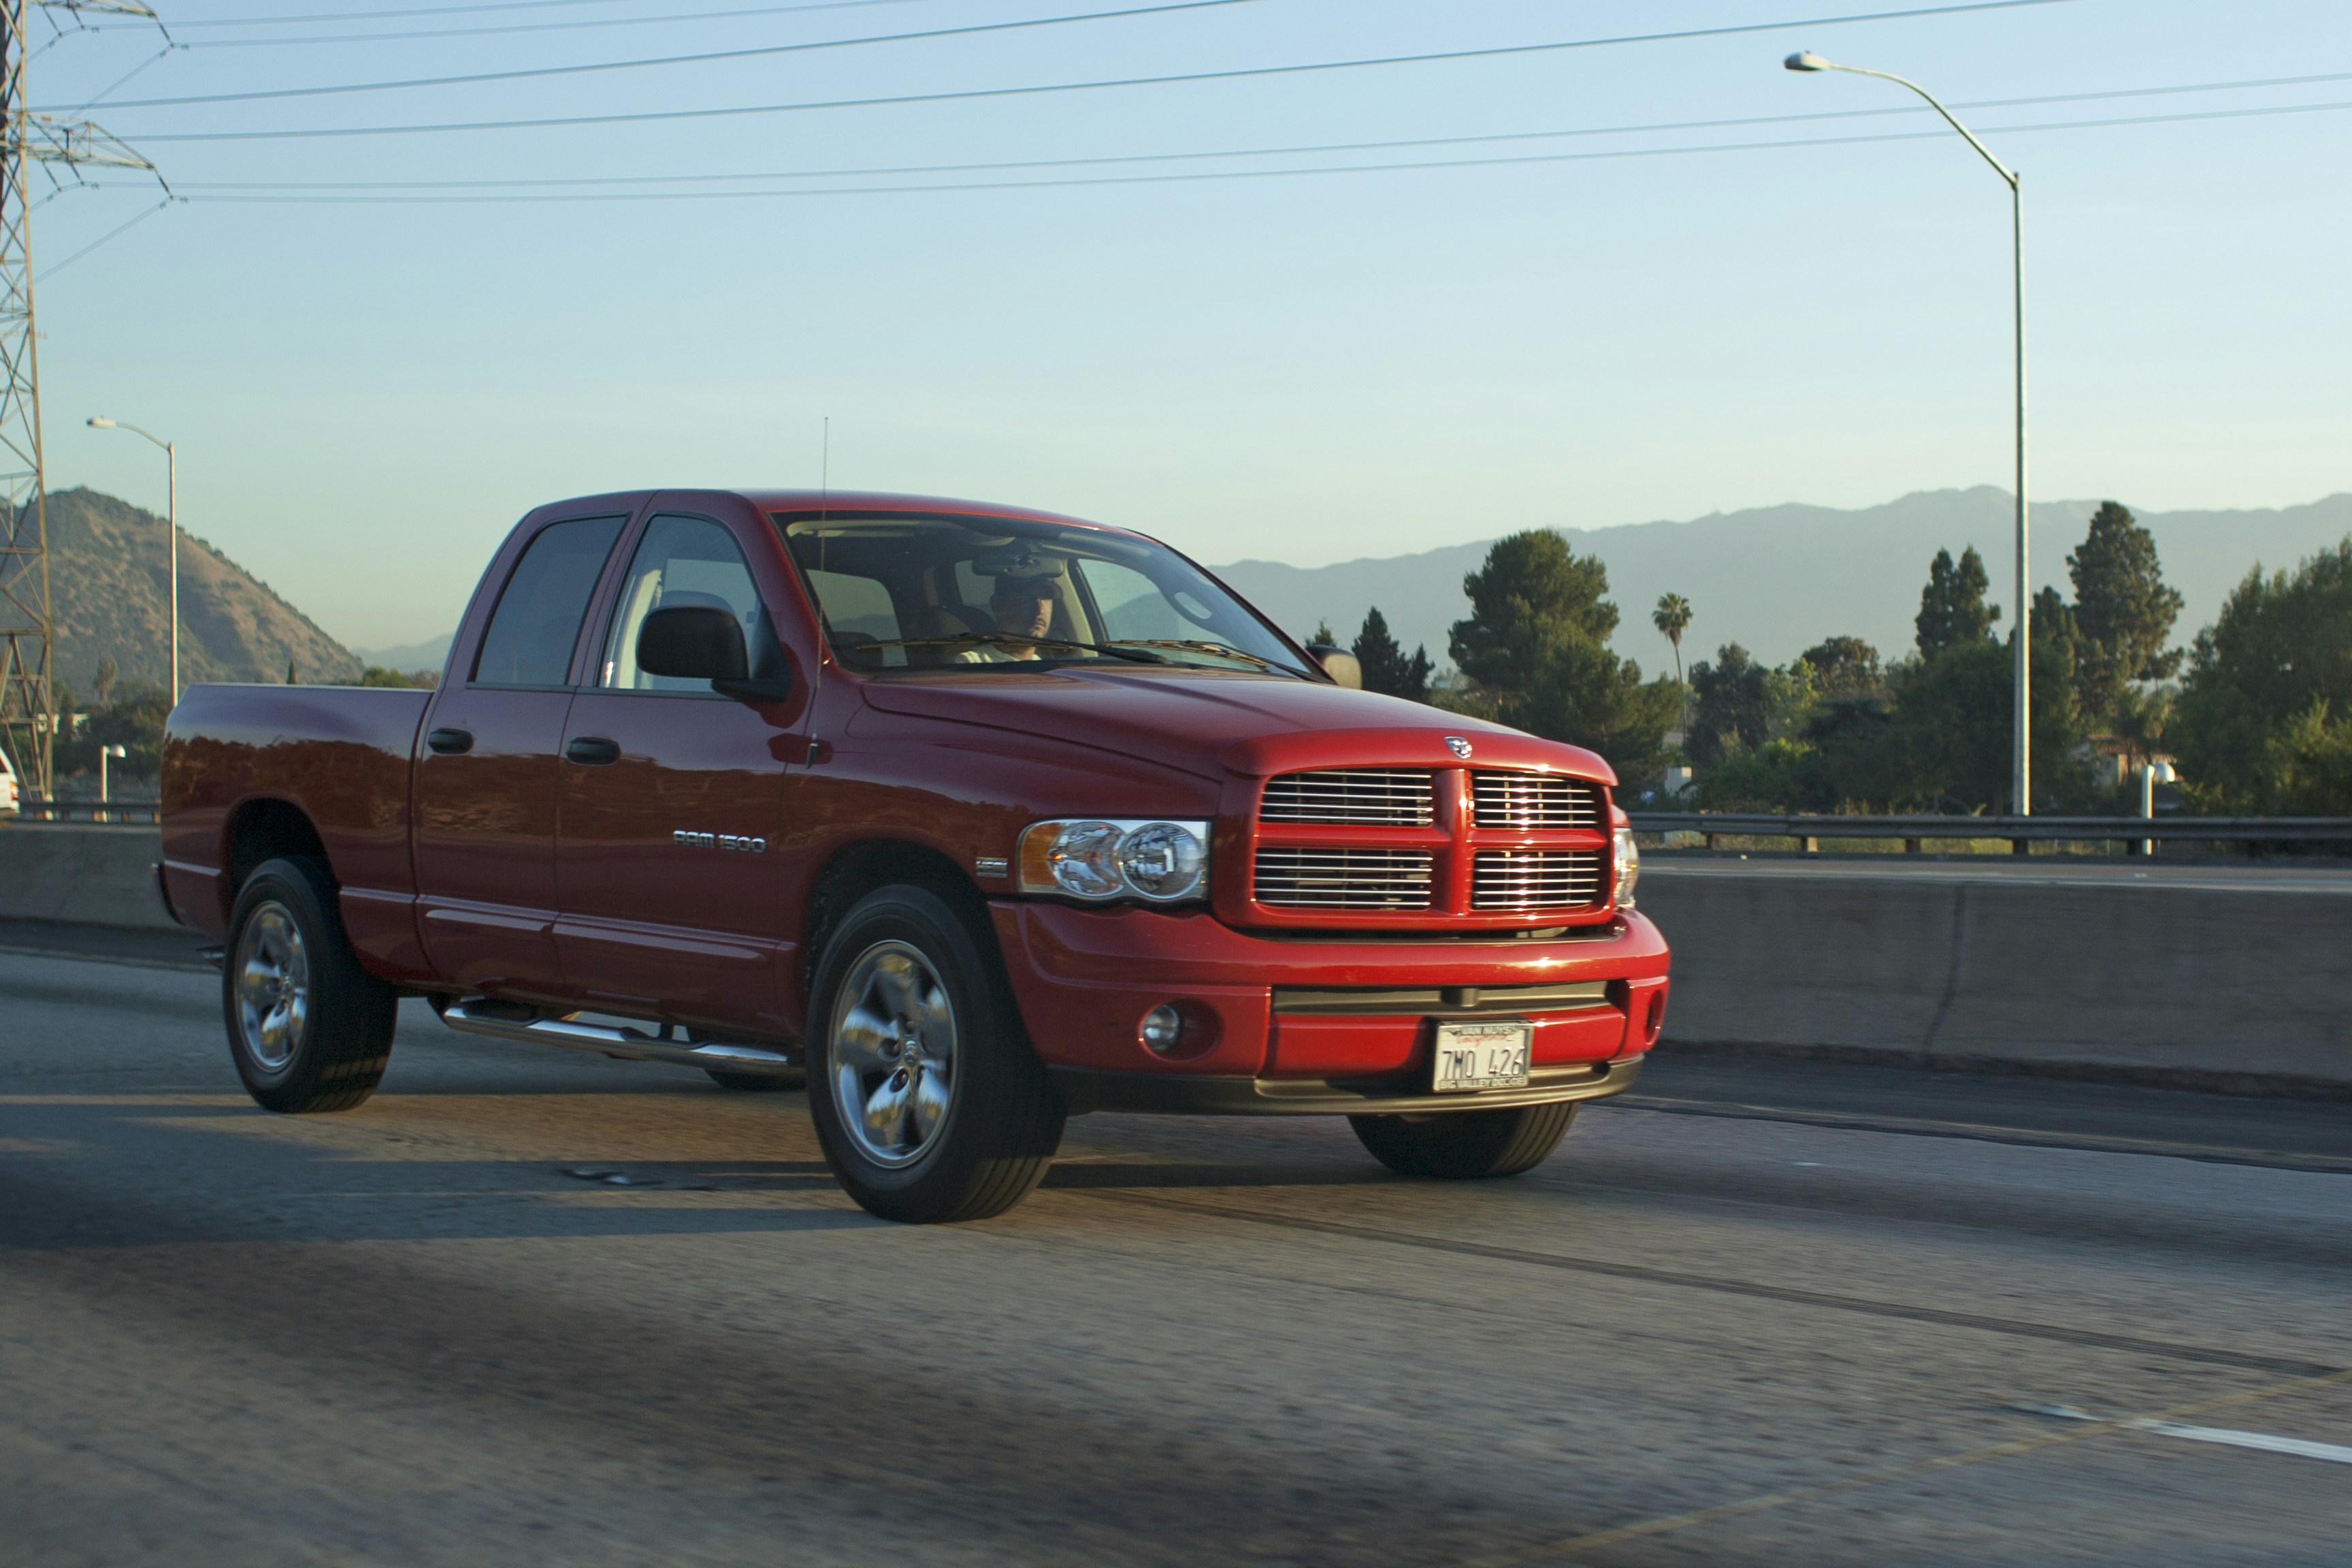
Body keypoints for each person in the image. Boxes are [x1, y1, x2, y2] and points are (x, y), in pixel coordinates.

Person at [959, 573, 1062, 661]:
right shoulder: (968, 666)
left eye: (1046, 597)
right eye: (1026, 598)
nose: (1040, 610)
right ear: (997, 605)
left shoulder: (1053, 671)